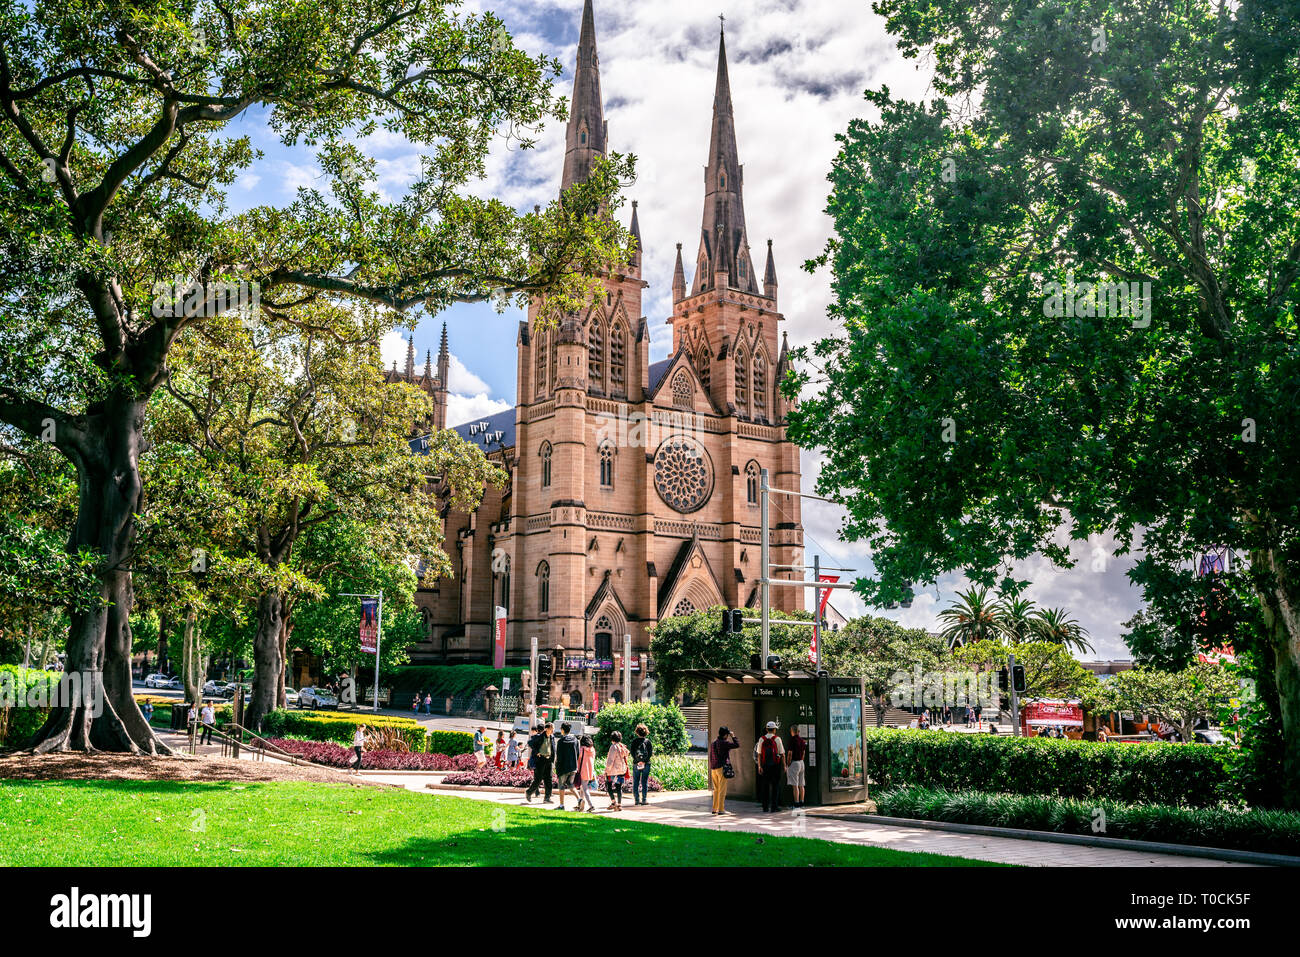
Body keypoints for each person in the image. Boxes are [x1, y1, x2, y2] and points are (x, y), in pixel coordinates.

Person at [754, 720, 785, 812]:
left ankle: (765, 807)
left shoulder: (761, 739)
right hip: (775, 765)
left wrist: (759, 766)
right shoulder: (777, 739)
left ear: (767, 729)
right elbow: (782, 754)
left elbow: (759, 754)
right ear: (774, 729)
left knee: (765, 786)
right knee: (775, 786)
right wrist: (784, 766)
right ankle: (774, 807)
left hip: (764, 765)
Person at [709, 727, 739, 815]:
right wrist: (733, 736)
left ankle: (714, 809)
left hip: (713, 768)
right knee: (722, 790)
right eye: (727, 735)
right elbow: (737, 745)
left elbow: (711, 756)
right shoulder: (724, 743)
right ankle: (721, 809)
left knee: (716, 790)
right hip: (721, 768)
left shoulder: (713, 743)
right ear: (726, 735)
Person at [554, 722, 582, 810]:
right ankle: (579, 799)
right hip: (573, 766)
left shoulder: (561, 741)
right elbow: (578, 753)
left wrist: (557, 766)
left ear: (562, 730)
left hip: (563, 767)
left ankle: (562, 805)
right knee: (570, 784)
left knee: (561, 786)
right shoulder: (575, 740)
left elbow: (559, 756)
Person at [525, 722, 554, 803]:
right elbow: (530, 743)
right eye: (551, 729)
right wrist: (537, 751)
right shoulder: (540, 736)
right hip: (541, 759)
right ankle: (529, 792)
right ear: (547, 729)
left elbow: (553, 748)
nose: (552, 730)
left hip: (548, 760)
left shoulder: (552, 737)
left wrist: (553, 758)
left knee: (549, 779)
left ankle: (547, 798)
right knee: (538, 779)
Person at [604, 730, 631, 811]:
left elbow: (610, 760)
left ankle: (613, 803)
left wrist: (606, 770)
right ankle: (619, 804)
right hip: (621, 770)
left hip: (613, 771)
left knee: (609, 786)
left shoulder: (613, 747)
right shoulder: (622, 746)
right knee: (619, 788)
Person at [629, 723, 654, 806]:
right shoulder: (648, 742)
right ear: (646, 732)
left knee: (636, 781)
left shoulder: (634, 741)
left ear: (637, 732)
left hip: (636, 763)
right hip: (646, 764)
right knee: (644, 781)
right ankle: (644, 799)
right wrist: (644, 761)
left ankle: (636, 799)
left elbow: (632, 752)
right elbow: (650, 753)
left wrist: (637, 760)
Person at [785, 724, 808, 808]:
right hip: (802, 763)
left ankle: (796, 804)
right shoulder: (802, 741)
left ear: (792, 731)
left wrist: (788, 763)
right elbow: (804, 753)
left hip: (794, 763)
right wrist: (801, 759)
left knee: (795, 785)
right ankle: (802, 803)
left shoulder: (792, 740)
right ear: (798, 731)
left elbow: (790, 753)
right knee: (801, 784)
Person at [577, 734, 597, 811]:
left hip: (582, 770)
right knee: (582, 788)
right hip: (590, 771)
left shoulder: (582, 749)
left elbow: (578, 758)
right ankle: (580, 805)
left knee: (585, 789)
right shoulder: (592, 749)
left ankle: (591, 805)